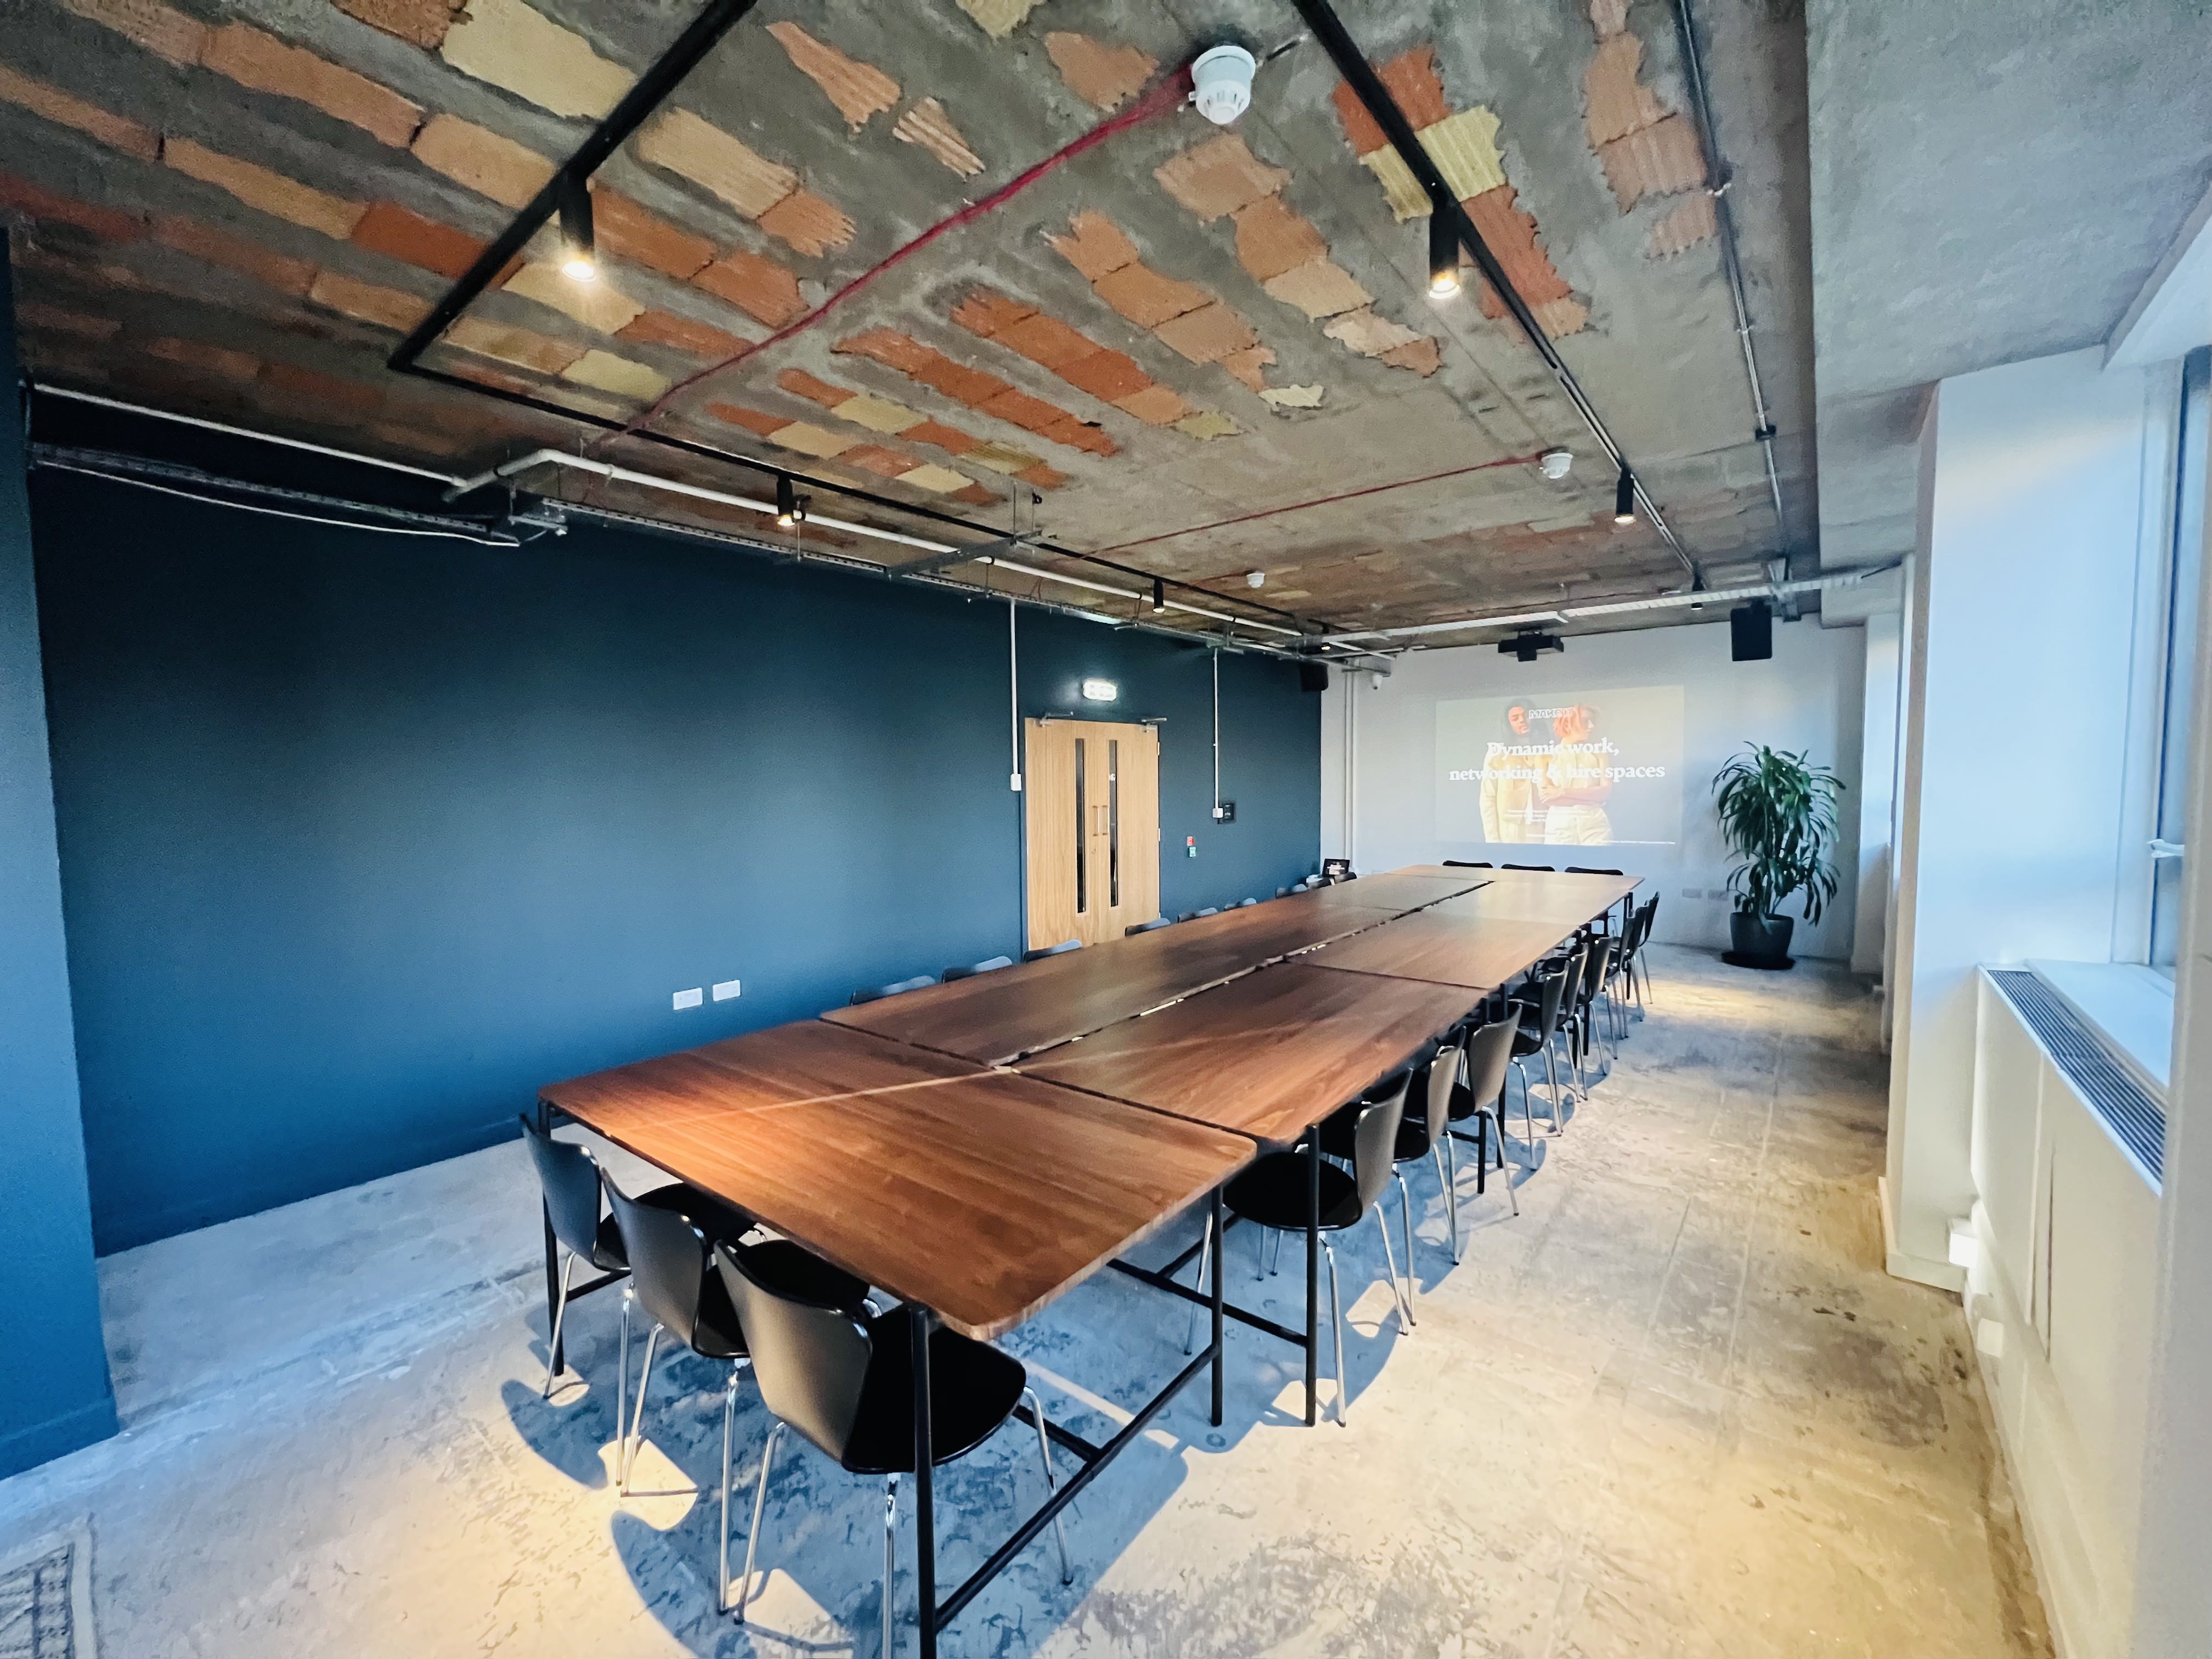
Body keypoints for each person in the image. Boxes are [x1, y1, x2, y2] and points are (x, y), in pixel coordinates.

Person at [1539, 703, 1614, 845]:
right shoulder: (1546, 755)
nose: (1591, 726)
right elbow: (1547, 798)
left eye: (1592, 721)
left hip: (1595, 824)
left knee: (1600, 866)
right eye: (1585, 721)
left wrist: (1562, 791)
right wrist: (1590, 796)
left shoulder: (1600, 753)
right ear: (1567, 724)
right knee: (1559, 865)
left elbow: (1605, 792)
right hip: (1559, 826)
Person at [1480, 703, 1543, 842]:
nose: (1522, 720)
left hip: (1541, 827)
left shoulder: (1548, 751)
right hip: (1509, 830)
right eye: (1515, 718)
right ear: (1508, 724)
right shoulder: (1497, 754)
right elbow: (1488, 799)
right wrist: (1493, 840)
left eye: (1526, 715)